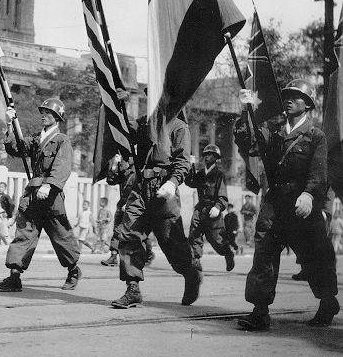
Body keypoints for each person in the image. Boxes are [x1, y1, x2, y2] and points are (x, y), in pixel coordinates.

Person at [235, 79, 339, 330]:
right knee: (264, 253)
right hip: (275, 201)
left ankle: (327, 301)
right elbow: (250, 141)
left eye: (296, 96)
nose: (289, 100)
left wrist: (310, 195)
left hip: (301, 204)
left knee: (314, 255)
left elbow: (319, 173)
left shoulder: (316, 136)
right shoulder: (275, 132)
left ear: (308, 104)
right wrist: (245, 111)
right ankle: (260, 311)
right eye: (287, 96)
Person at [112, 91, 201, 309]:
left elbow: (182, 161)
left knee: (172, 242)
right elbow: (124, 132)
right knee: (129, 234)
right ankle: (132, 288)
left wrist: (172, 183)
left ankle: (190, 273)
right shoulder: (143, 124)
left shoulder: (179, 127)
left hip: (164, 188)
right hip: (141, 187)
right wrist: (120, 105)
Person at [0, 98, 82, 292]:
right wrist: (9, 123)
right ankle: (14, 277)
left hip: (50, 196)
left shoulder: (62, 140)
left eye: (48, 112)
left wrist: (49, 185)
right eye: (42, 111)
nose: (44, 115)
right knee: (24, 233)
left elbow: (62, 165)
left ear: (58, 117)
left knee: (61, 236)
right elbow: (15, 148)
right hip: (33, 195)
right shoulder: (36, 139)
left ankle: (73, 270)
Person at [185, 144, 235, 272]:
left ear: (216, 158)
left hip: (213, 210)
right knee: (194, 233)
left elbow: (223, 195)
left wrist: (218, 207)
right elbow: (190, 182)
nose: (207, 157)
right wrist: (190, 165)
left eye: (210, 155)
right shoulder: (201, 173)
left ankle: (228, 253)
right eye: (206, 155)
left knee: (216, 240)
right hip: (200, 208)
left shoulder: (219, 175)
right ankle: (196, 260)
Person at [101, 154, 155, 268]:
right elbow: (111, 180)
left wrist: (132, 202)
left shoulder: (141, 170)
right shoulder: (125, 171)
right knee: (117, 230)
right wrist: (114, 165)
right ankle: (113, 256)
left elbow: (142, 189)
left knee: (138, 232)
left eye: (131, 156)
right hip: (122, 203)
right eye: (128, 156)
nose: (128, 158)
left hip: (135, 203)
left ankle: (149, 253)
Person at [0, 182, 15, 255]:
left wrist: (8, 213)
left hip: (3, 215)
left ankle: (12, 249)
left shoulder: (6, 196)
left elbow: (12, 204)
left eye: (2, 187)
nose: (0, 189)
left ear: (5, 188)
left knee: (3, 233)